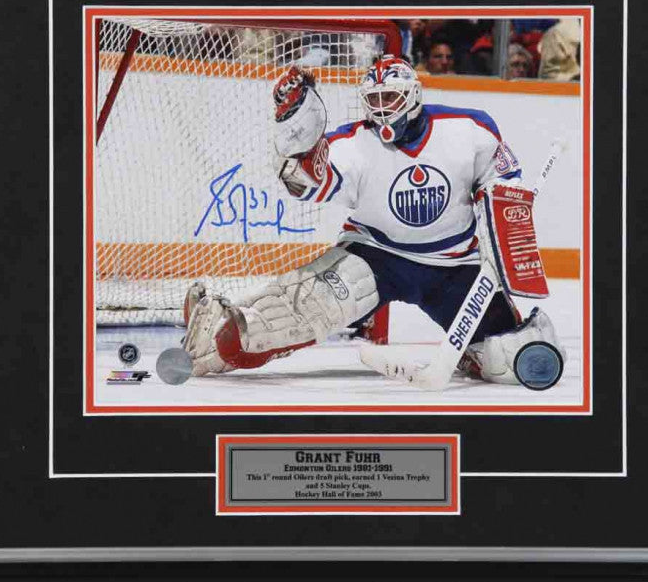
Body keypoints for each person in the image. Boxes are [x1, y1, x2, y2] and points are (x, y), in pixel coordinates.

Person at [181, 57, 563, 387]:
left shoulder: (470, 129)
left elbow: (503, 183)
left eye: (390, 98)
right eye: (374, 100)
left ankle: (476, 355)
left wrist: (500, 214)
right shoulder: (353, 143)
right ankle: (220, 328)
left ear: (413, 96)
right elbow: (310, 183)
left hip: (454, 266)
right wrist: (295, 138)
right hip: (376, 256)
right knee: (295, 312)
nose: (381, 110)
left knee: (509, 355)